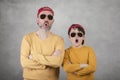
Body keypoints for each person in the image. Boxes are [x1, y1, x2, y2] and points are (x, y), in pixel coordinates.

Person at [20, 6, 64, 80]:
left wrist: (34, 56)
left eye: (49, 17)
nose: (46, 19)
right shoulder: (27, 38)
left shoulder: (59, 40)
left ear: (52, 21)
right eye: (43, 16)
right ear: (37, 20)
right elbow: (24, 62)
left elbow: (57, 62)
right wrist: (46, 64)